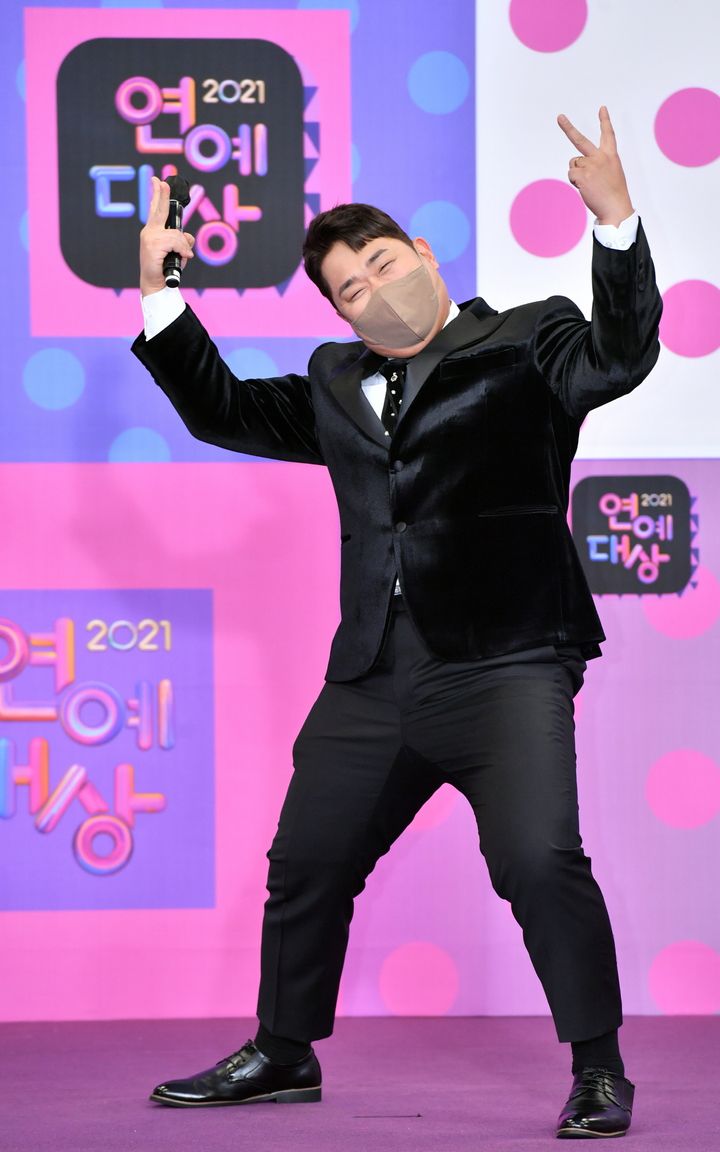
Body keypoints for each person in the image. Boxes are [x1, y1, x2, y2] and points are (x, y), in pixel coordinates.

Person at [132, 107, 662, 1138]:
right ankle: (284, 1051)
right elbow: (223, 410)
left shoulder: (529, 338)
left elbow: (619, 355)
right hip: (374, 668)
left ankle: (600, 1069)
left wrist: (614, 223)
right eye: (350, 289)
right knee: (308, 860)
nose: (372, 290)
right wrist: (163, 290)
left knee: (538, 861)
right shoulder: (335, 381)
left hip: (506, 661)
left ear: (423, 251)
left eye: (381, 263)